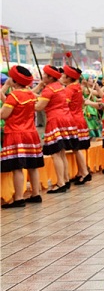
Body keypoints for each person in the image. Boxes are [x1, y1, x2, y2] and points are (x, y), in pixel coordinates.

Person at [1, 66, 45, 207]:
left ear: (14, 80)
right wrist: (7, 87)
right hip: (30, 133)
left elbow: (3, 114)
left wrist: (5, 87)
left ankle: (19, 198)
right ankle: (35, 194)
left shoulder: (14, 96)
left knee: (17, 167)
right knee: (32, 166)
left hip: (15, 134)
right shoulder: (30, 95)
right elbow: (8, 102)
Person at [33, 65, 78, 193]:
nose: (42, 77)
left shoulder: (49, 89)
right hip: (66, 119)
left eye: (44, 75)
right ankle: (65, 179)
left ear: (50, 77)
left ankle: (60, 183)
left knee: (55, 153)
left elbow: (39, 107)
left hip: (55, 120)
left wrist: (24, 103)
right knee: (62, 152)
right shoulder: (60, 87)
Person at [61, 65, 92, 184]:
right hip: (80, 118)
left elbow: (64, 105)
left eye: (64, 75)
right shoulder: (77, 87)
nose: (62, 76)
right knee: (77, 148)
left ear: (68, 78)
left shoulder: (69, 89)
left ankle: (84, 173)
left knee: (76, 148)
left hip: (73, 120)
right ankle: (81, 172)